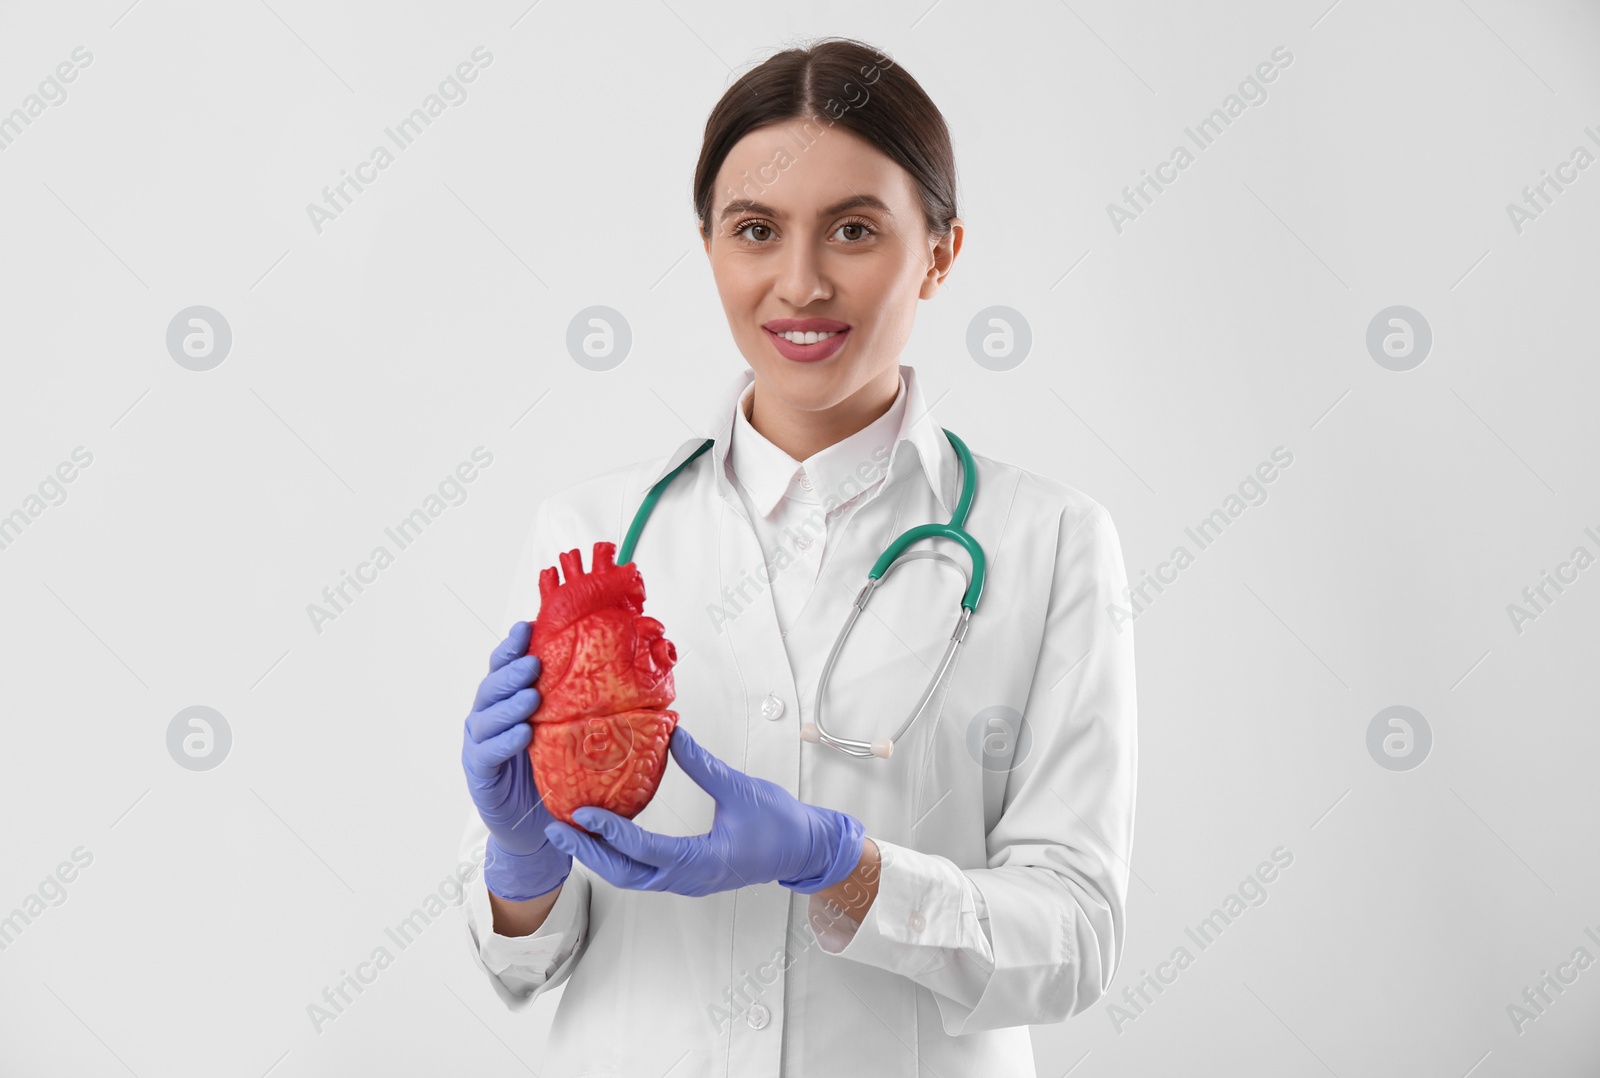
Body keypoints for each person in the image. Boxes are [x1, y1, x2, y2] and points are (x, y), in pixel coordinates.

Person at [456, 36, 1137, 1076]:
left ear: (941, 252)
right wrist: (520, 859)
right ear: (710, 246)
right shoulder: (583, 533)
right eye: (756, 230)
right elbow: (520, 968)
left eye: (854, 230)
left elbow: (1076, 940)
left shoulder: (1049, 542)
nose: (800, 282)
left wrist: (848, 868)